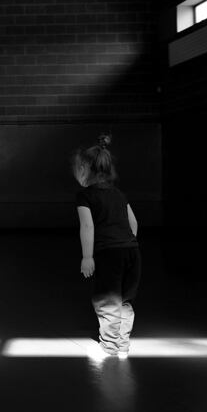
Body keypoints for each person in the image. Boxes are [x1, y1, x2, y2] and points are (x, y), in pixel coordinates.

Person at [72, 134, 141, 360]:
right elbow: (133, 223)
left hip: (109, 253)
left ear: (84, 169)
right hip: (132, 251)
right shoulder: (119, 194)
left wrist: (87, 257)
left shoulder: (85, 196)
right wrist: (128, 242)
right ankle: (122, 344)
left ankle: (109, 346)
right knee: (125, 300)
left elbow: (87, 226)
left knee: (107, 299)